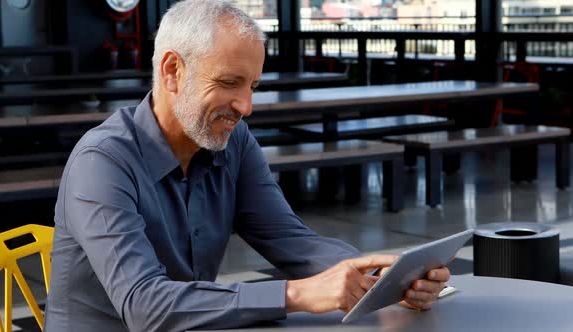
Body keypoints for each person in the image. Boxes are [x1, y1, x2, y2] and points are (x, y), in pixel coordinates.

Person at [44, 1, 450, 331]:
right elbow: (145, 305)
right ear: (172, 71)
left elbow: (291, 240)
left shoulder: (232, 142)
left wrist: (384, 280)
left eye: (252, 86)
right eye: (228, 83)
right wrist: (296, 295)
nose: (246, 106)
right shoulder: (102, 162)